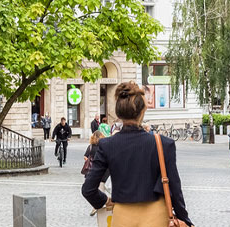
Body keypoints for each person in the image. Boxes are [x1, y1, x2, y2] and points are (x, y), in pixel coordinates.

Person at [82, 82, 193, 227]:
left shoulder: (107, 145)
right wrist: (185, 220)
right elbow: (175, 188)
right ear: (142, 111)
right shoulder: (163, 144)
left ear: (119, 113)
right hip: (157, 216)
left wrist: (104, 201)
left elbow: (88, 189)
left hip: (122, 217)